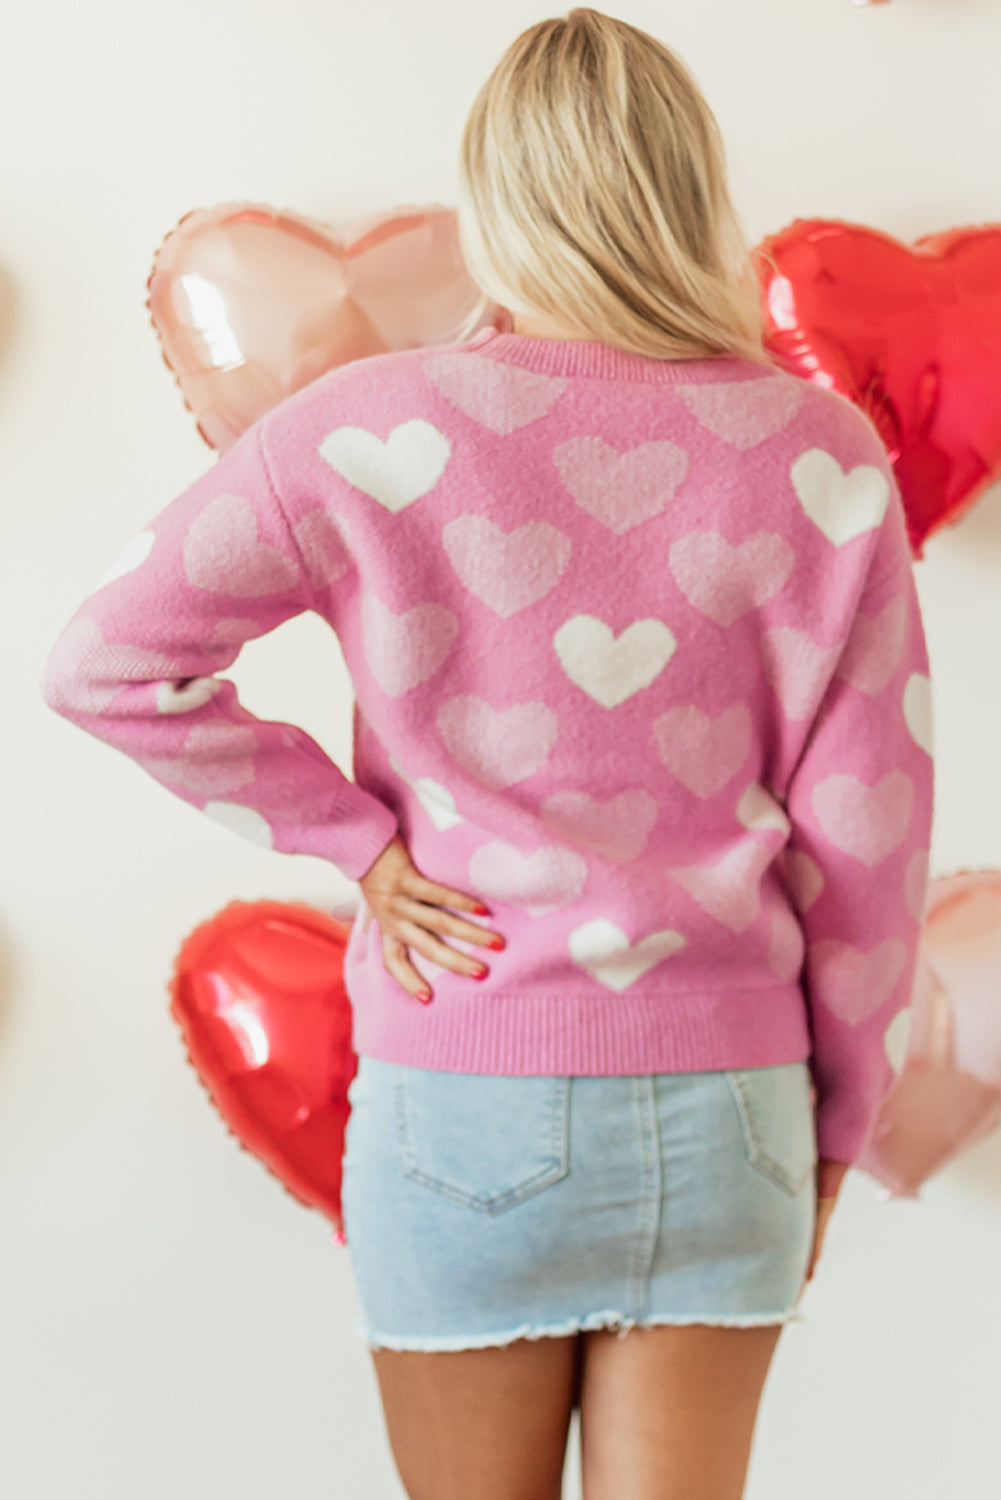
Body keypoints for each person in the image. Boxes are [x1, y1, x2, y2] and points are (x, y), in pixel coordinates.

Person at [41, 8, 934, 1499]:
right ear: (688, 187)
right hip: (732, 1101)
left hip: (464, 1090)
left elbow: (103, 664)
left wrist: (358, 848)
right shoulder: (817, 455)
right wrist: (834, 1126)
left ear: (495, 201)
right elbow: (869, 842)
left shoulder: (360, 432)